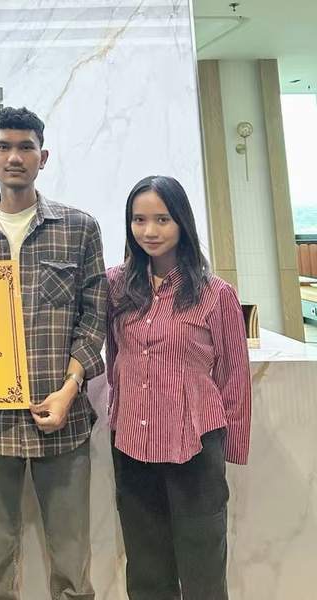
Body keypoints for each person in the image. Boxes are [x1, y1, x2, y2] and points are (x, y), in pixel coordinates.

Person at [0, 107, 106, 600]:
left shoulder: (79, 227)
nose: (14, 157)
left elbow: (94, 317)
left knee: (72, 563)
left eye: (25, 147)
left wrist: (69, 389)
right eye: (4, 147)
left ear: (43, 156)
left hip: (63, 418)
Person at [106, 175, 252, 599]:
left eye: (162, 219)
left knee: (203, 568)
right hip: (132, 443)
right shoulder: (116, 286)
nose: (149, 231)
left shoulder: (215, 294)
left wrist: (230, 450)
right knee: (146, 569)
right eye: (139, 220)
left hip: (194, 444)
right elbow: (115, 358)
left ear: (182, 222)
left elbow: (234, 376)